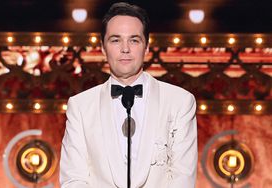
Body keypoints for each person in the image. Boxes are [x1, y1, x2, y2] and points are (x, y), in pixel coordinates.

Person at [60, 2, 197, 188]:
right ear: (102, 47)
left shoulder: (180, 102)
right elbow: (73, 179)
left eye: (134, 40)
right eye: (115, 40)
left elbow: (183, 179)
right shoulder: (81, 106)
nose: (125, 48)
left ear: (147, 47)